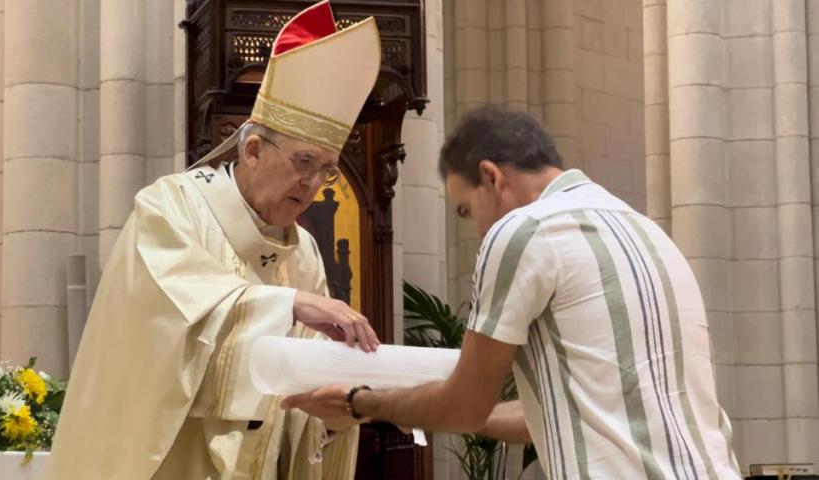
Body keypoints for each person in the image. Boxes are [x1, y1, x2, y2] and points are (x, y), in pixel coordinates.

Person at [282, 105, 742, 479]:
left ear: (492, 177)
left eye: (466, 211)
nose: (478, 231)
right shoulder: (645, 231)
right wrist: (421, 407)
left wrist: (357, 400)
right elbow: (555, 409)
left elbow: (464, 406)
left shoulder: (525, 230)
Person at [46, 2, 381, 478]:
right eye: (304, 161)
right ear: (252, 150)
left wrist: (333, 415)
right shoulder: (171, 208)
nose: (313, 184)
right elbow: (157, 337)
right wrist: (288, 305)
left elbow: (299, 388)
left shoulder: (303, 253)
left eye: (326, 170)